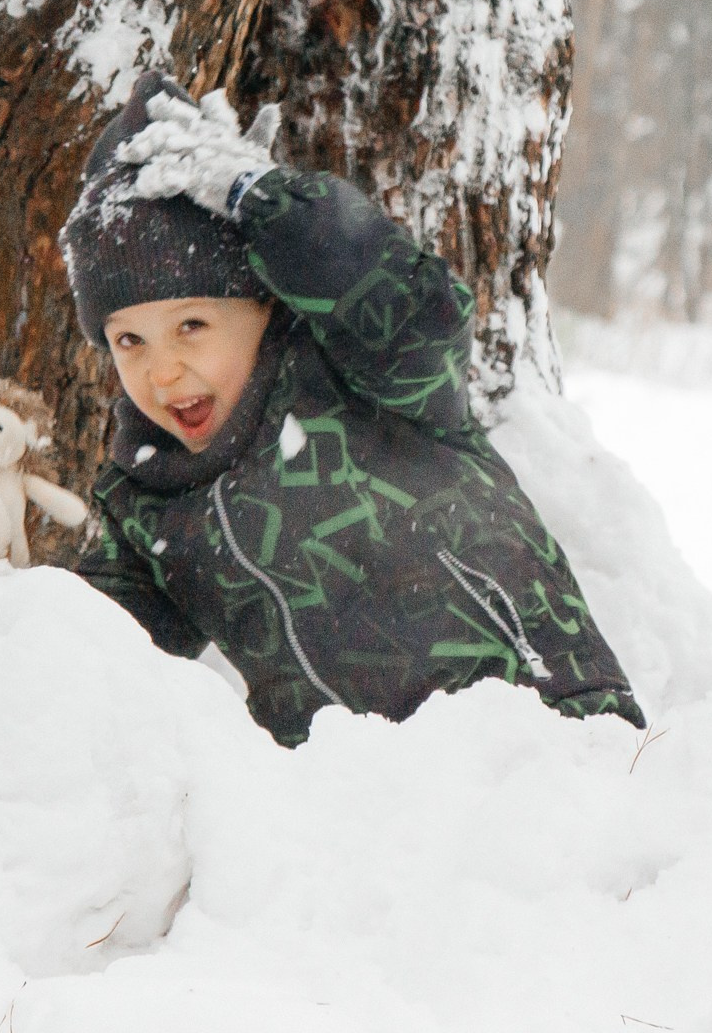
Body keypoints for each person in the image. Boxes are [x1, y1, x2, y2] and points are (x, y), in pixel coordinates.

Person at [60, 72, 644, 746]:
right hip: (359, 812)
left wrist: (278, 209)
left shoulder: (367, 373)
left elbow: (417, 304)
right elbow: (96, 651)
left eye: (192, 325)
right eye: (128, 341)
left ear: (266, 304)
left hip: (551, 738)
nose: (161, 370)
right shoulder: (147, 497)